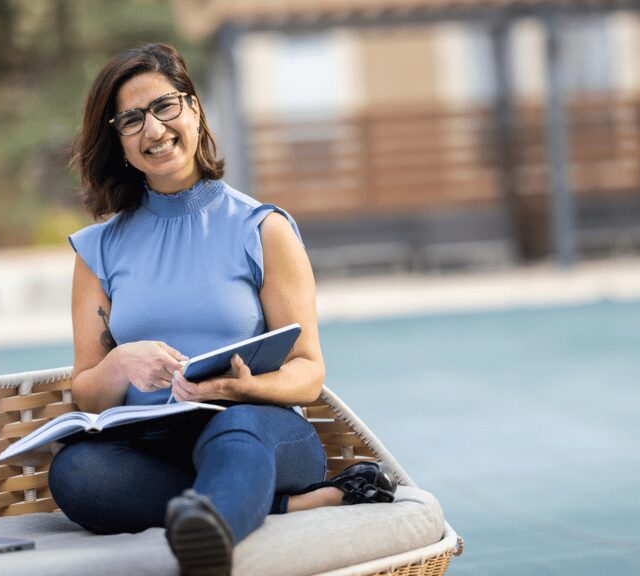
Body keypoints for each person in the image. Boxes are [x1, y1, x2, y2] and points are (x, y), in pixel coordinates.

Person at [46, 43, 396, 576]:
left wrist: (239, 388)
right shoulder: (97, 251)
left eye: (165, 106)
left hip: (259, 432)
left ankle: (209, 543)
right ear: (117, 140)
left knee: (236, 436)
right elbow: (87, 391)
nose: (154, 130)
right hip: (155, 443)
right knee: (75, 472)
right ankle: (258, 511)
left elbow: (308, 370)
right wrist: (120, 364)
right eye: (132, 119)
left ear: (194, 110)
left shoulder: (264, 229)